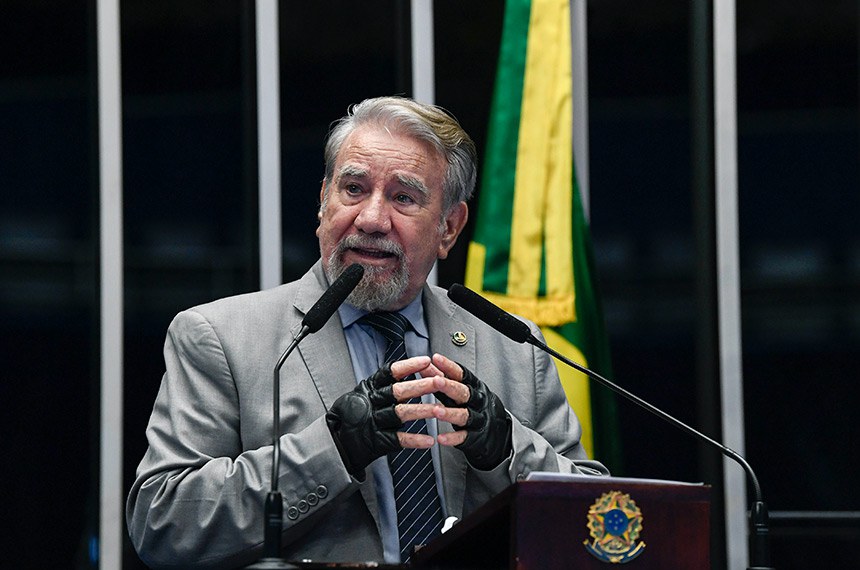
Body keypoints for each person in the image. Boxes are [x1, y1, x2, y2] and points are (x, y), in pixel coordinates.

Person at [127, 96, 608, 569]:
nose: (372, 219)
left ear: (449, 228)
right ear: (323, 202)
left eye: (403, 197)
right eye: (353, 189)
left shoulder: (513, 345)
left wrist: (507, 449)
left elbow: (600, 521)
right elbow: (163, 523)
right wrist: (333, 448)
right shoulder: (222, 337)